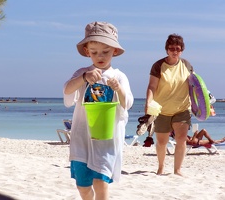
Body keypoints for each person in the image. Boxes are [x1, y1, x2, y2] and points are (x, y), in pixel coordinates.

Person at [64, 21, 134, 200]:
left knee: (100, 184)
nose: (99, 56)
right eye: (94, 52)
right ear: (87, 51)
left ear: (115, 51)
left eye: (105, 51)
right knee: (83, 186)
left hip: (106, 141)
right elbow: (67, 91)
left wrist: (118, 88)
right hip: (82, 138)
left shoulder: (119, 76)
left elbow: (127, 103)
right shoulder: (82, 73)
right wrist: (84, 78)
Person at [145, 34, 193, 176]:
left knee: (181, 139)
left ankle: (177, 170)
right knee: (161, 142)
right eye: (171, 48)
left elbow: (195, 86)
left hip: (182, 109)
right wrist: (148, 102)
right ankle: (161, 167)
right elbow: (152, 86)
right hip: (162, 110)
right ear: (167, 49)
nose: (174, 51)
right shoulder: (158, 65)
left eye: (177, 49)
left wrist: (206, 104)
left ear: (181, 50)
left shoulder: (186, 65)